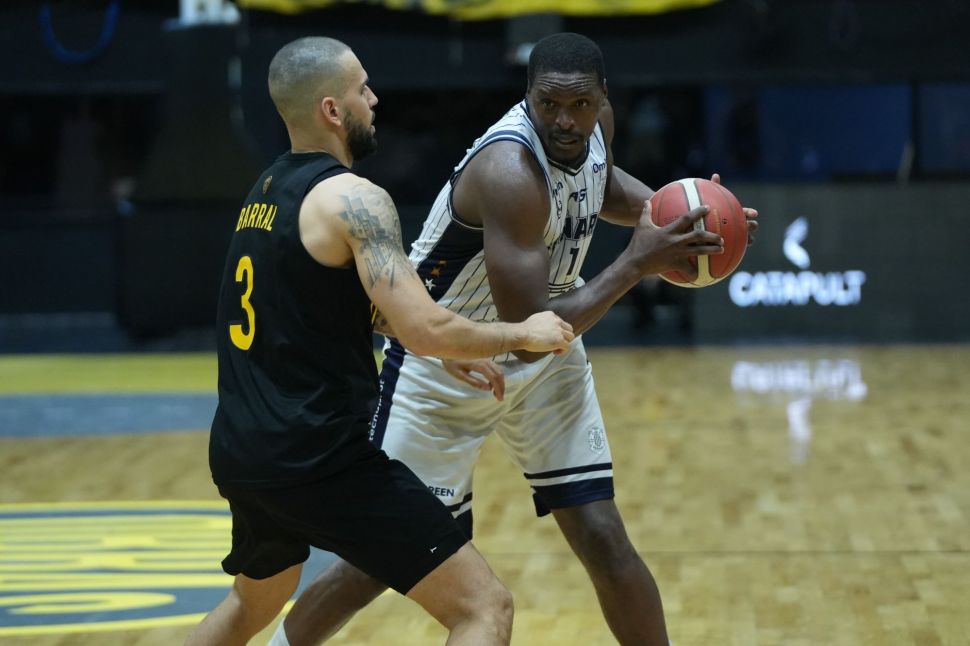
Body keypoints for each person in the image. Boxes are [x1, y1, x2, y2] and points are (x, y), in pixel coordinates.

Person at [269, 32, 758, 646]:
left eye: (579, 106)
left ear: (603, 99)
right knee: (377, 561)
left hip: (549, 351)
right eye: (548, 104)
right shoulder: (508, 171)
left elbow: (601, 187)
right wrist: (638, 261)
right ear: (527, 96)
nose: (564, 120)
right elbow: (529, 331)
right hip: (448, 359)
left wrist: (688, 218)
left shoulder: (593, 127)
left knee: (604, 537)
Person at [184, 36, 577, 646]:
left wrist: (447, 352)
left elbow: (337, 306)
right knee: (483, 608)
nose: (374, 99)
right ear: (332, 110)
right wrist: (522, 331)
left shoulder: (265, 191)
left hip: (243, 449)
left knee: (252, 602)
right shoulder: (355, 200)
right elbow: (425, 325)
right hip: (317, 455)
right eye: (361, 89)